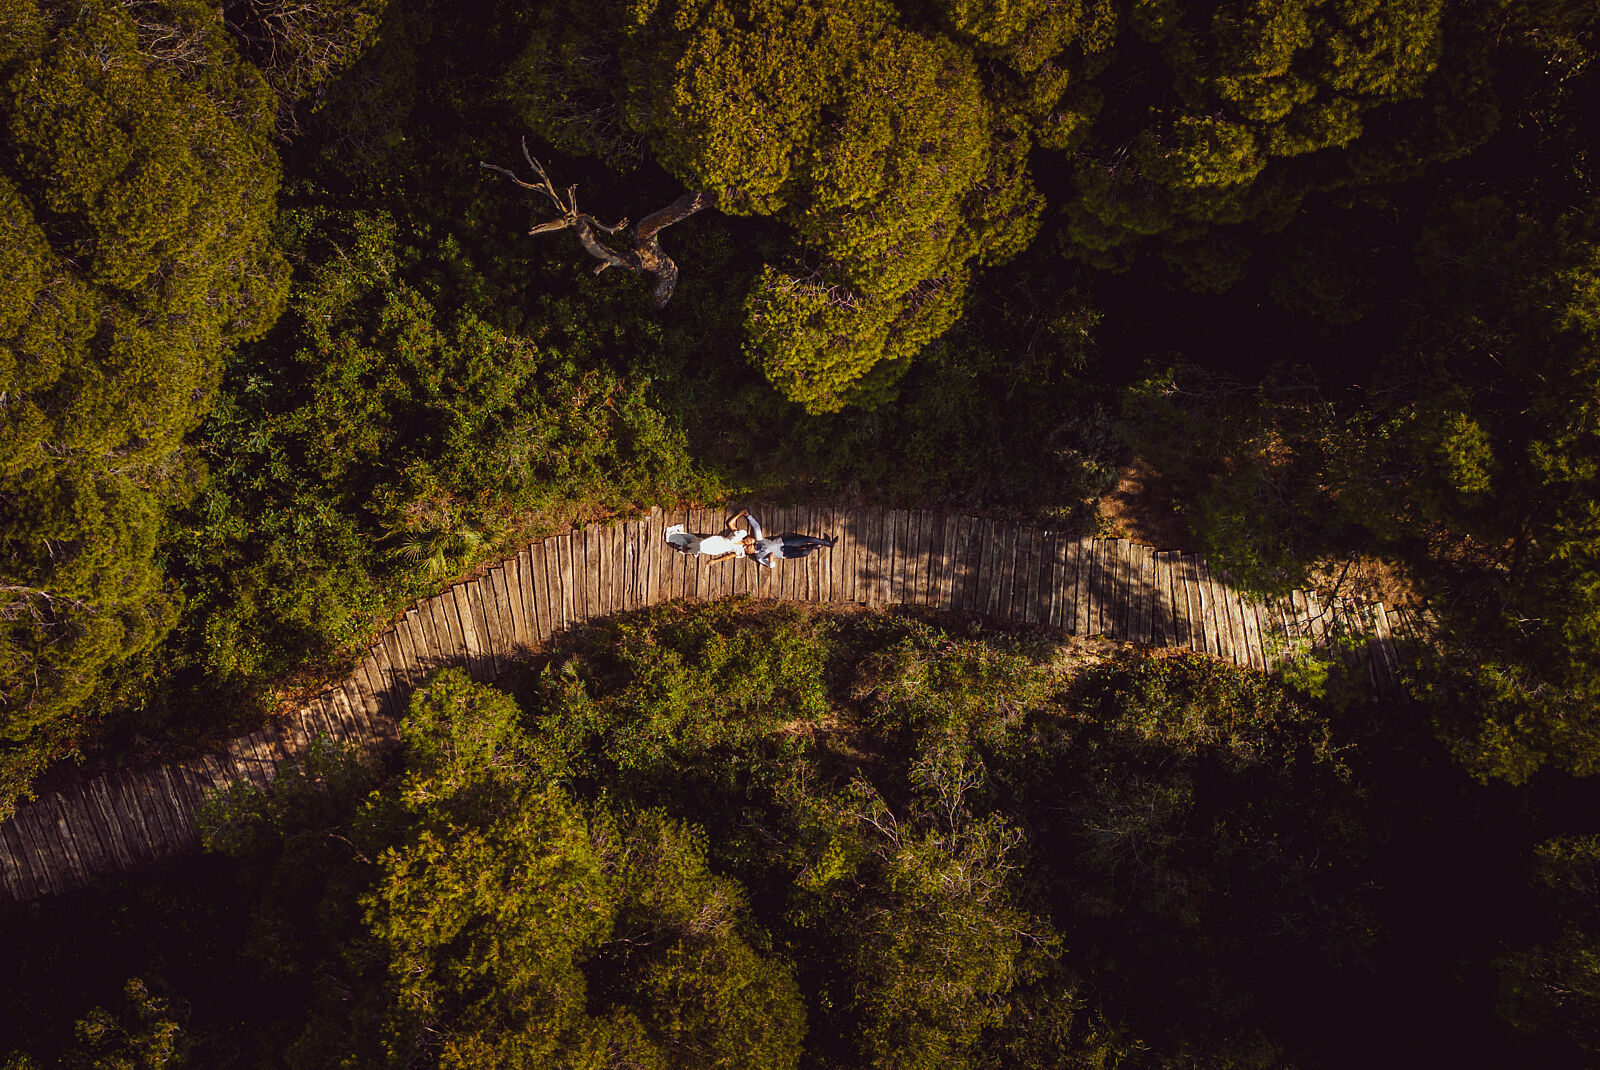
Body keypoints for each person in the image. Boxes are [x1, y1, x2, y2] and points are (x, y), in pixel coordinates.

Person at [732, 509, 836, 569]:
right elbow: (771, 566)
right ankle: (815, 546)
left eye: (747, 546)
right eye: (747, 548)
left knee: (807, 539)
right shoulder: (759, 558)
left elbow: (756, 527)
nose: (749, 546)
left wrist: (748, 516)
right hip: (785, 553)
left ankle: (828, 543)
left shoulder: (759, 540)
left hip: (783, 542)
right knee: (804, 553)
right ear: (749, 553)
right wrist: (771, 560)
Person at [665, 514, 749, 562]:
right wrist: (740, 513)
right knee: (701, 543)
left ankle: (687, 549)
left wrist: (715, 561)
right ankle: (685, 547)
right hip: (720, 540)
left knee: (702, 548)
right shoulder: (740, 535)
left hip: (721, 549)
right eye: (750, 539)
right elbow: (731, 524)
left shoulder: (740, 551)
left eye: (751, 543)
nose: (749, 541)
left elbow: (729, 556)